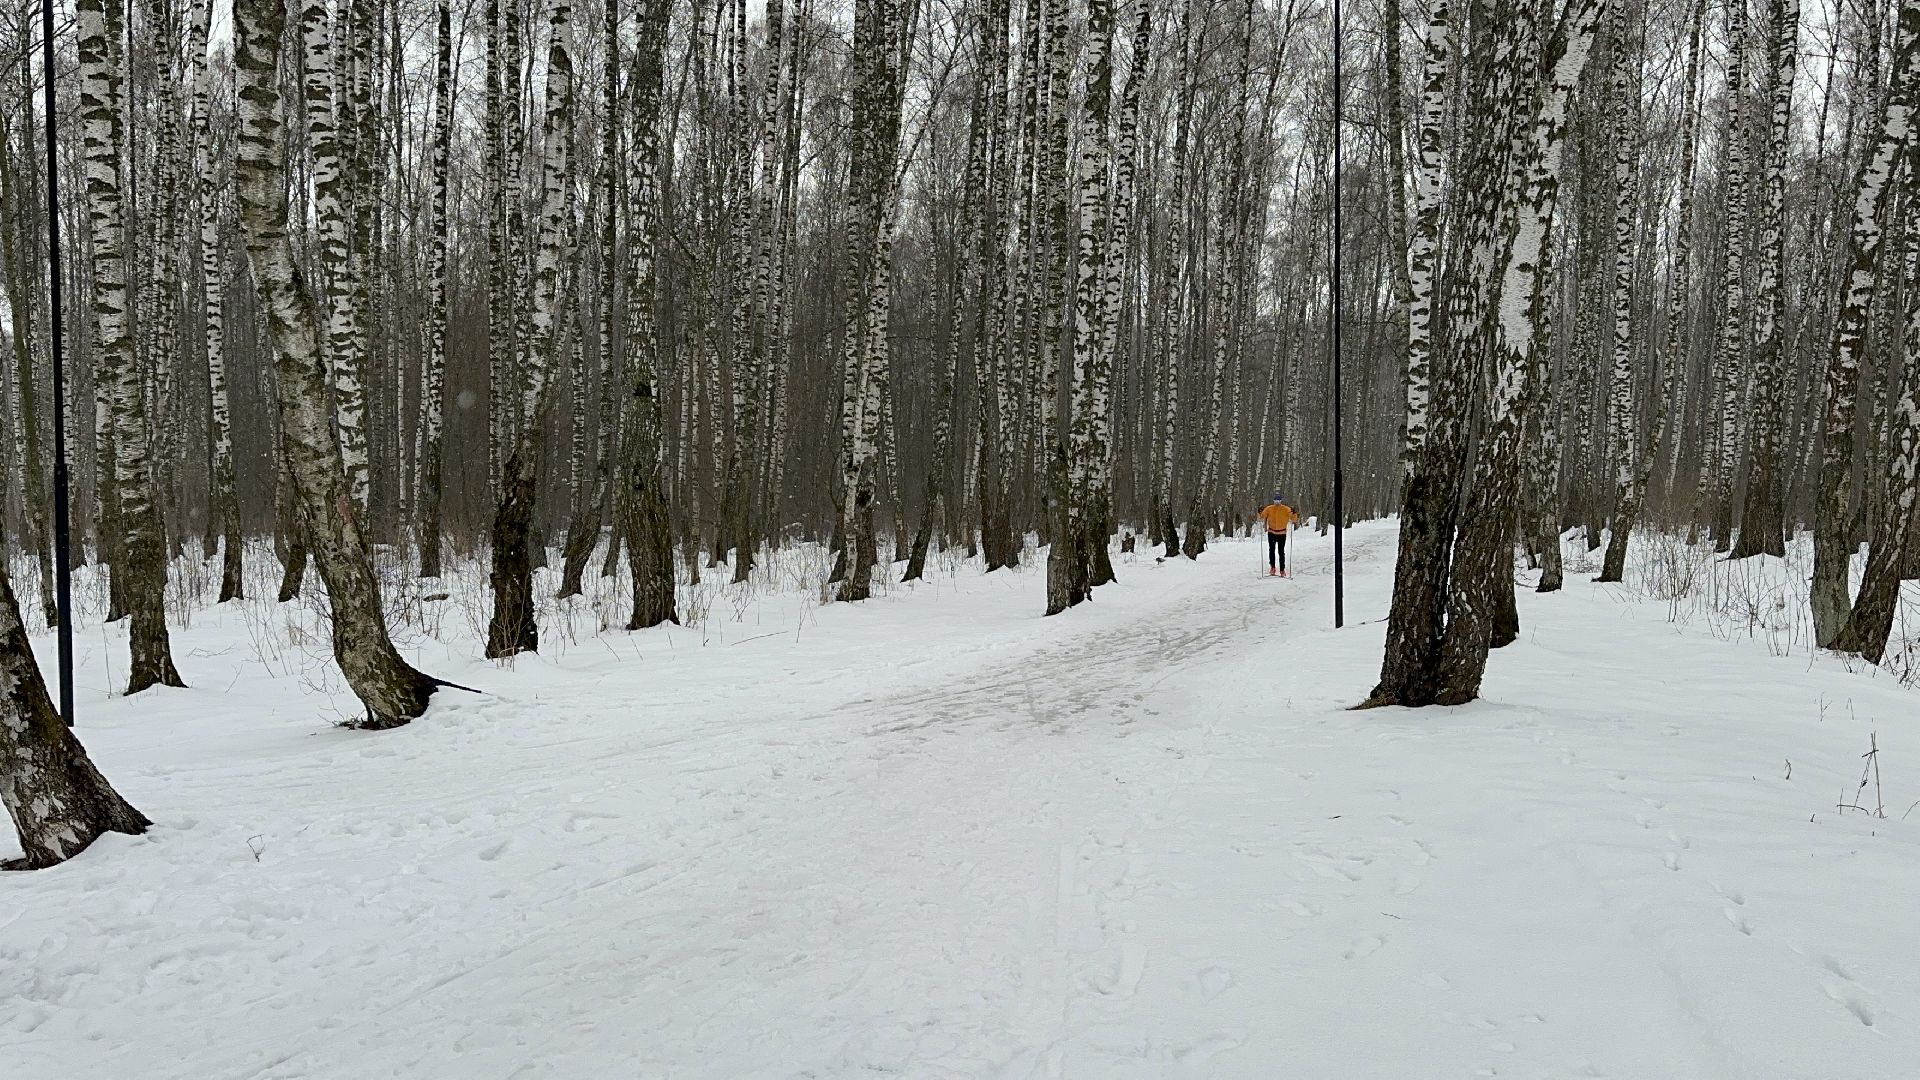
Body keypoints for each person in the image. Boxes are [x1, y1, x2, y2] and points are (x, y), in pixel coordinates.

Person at [1255, 493, 1299, 577]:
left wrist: (1294, 513)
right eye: (1275, 501)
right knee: (1271, 550)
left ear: (1281, 501)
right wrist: (1259, 511)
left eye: (1278, 501)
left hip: (1282, 533)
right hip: (1271, 532)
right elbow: (1261, 517)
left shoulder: (1286, 509)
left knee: (1281, 552)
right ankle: (1272, 567)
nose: (1277, 502)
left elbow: (1294, 519)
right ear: (1273, 501)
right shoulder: (1269, 508)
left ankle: (1282, 570)